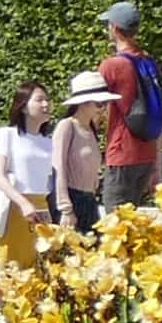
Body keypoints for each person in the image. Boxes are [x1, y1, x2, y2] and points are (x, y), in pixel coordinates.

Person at [94, 1, 162, 212]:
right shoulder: (149, 63)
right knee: (132, 225)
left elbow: (93, 108)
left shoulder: (112, 66)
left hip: (121, 152)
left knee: (114, 224)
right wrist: (157, 165)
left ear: (114, 28)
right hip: (147, 153)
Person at [0, 80, 60, 246]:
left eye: (47, 99)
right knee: (12, 264)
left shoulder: (48, 142)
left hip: (42, 206)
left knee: (41, 261)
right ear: (24, 106)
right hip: (15, 205)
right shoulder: (8, 135)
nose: (46, 104)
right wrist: (23, 203)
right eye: (39, 100)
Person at [57, 70, 112, 233]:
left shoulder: (91, 128)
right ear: (83, 103)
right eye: (99, 104)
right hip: (72, 200)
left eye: (106, 103)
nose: (103, 108)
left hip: (89, 200)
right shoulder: (67, 126)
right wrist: (65, 208)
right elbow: (58, 168)